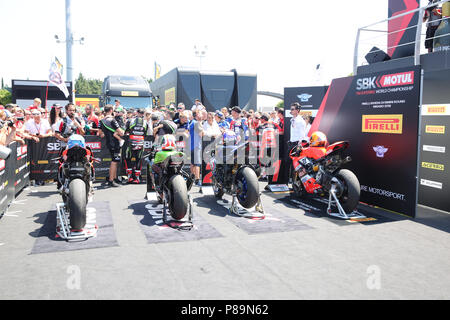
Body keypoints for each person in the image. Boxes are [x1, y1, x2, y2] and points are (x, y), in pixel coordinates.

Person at [98, 105, 124, 187]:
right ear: (111, 110)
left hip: (109, 143)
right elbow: (121, 133)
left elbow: (100, 134)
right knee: (114, 161)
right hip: (115, 143)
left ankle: (114, 178)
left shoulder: (101, 120)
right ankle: (111, 180)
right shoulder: (113, 120)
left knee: (115, 161)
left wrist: (107, 133)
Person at [124, 108, 148, 183]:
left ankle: (130, 177)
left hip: (131, 142)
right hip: (140, 142)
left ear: (136, 112)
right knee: (138, 159)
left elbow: (125, 131)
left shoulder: (130, 120)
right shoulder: (145, 122)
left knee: (128, 158)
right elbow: (146, 133)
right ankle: (137, 178)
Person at [189, 111, 204, 186]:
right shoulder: (196, 123)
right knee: (197, 164)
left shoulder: (192, 122)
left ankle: (191, 179)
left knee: (193, 163)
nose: (202, 115)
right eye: (201, 114)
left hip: (192, 146)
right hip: (196, 146)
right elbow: (201, 134)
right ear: (197, 115)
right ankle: (197, 180)